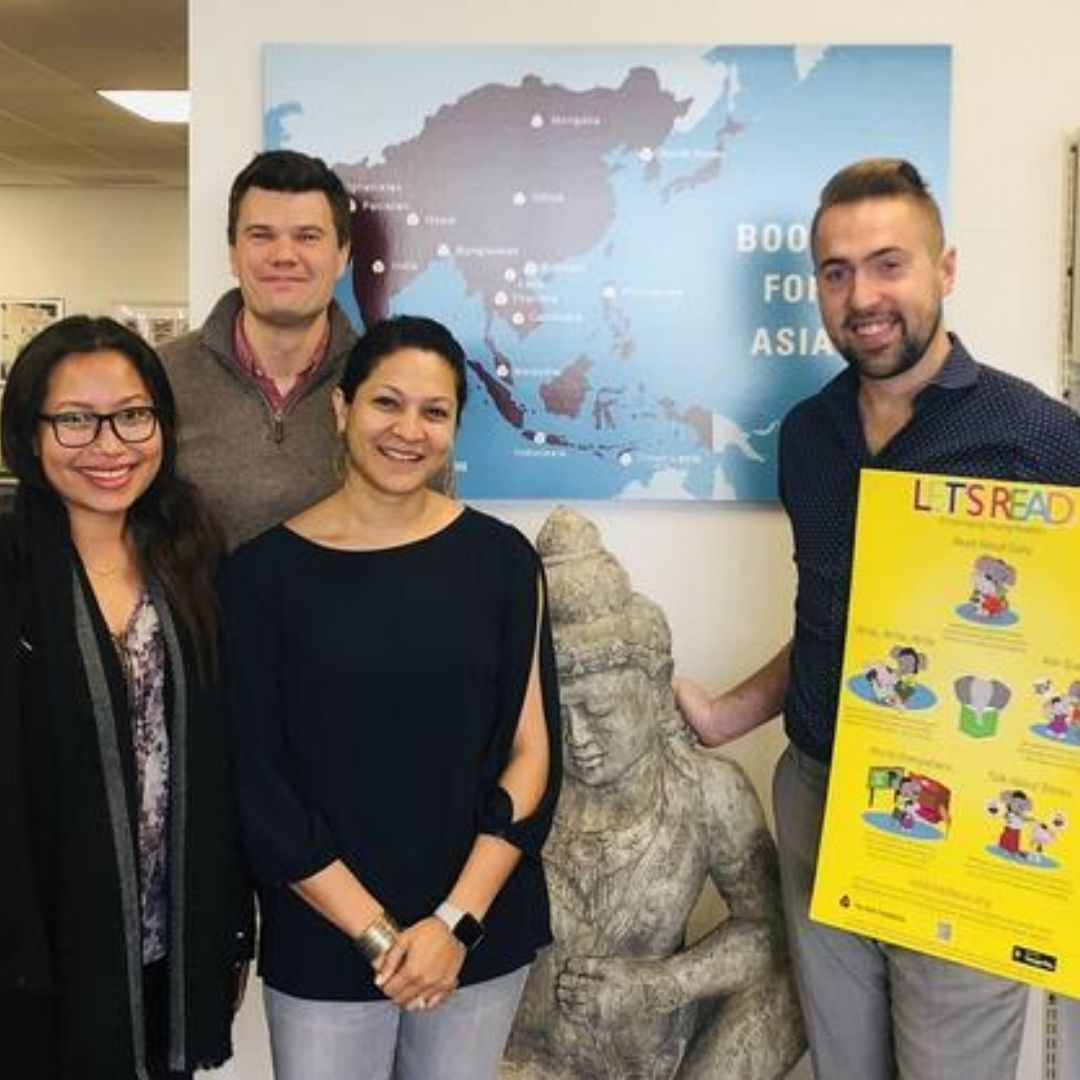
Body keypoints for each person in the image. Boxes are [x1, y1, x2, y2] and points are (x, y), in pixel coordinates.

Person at [675, 158, 1080, 1080]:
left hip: (964, 811)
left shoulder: (1039, 437)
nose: (863, 295)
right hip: (820, 793)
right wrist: (730, 714)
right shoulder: (809, 435)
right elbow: (835, 618)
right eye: (837, 270)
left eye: (889, 263)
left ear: (945, 269)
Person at [223, 315, 561, 1080]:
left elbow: (533, 752)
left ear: (454, 428)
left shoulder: (504, 562)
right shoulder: (259, 578)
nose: (409, 430)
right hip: (325, 939)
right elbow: (259, 788)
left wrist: (449, 926)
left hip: (474, 934)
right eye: (387, 403)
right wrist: (381, 937)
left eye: (434, 412)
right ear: (342, 409)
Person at [0, 316, 252, 1079]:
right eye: (75, 420)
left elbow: (222, 757)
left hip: (163, 946)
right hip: (37, 947)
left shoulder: (193, 556)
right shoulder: (9, 566)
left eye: (132, 416)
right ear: (29, 433)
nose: (110, 445)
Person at [502, 507, 803, 1080]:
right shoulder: (523, 781)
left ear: (653, 684)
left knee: (795, 989)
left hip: (655, 1052)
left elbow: (767, 932)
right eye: (557, 715)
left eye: (599, 710)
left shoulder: (706, 793)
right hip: (525, 1059)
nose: (579, 739)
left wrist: (660, 985)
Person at [160, 149, 356, 549]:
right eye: (261, 235)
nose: (284, 256)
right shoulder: (159, 374)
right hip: (201, 613)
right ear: (233, 254)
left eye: (307, 237)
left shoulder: (384, 382)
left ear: (342, 256)